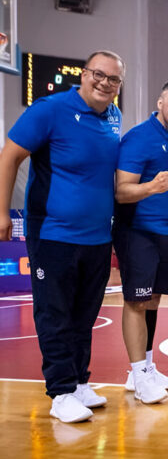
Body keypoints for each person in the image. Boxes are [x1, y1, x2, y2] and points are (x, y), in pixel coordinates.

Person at [0, 50, 124, 423]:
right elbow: (9, 156)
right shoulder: (49, 109)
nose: (104, 83)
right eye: (98, 75)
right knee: (55, 313)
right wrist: (1, 211)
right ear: (84, 75)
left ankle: (79, 381)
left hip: (99, 237)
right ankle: (60, 391)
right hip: (54, 234)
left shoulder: (114, 116)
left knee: (84, 314)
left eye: (113, 79)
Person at [114, 79, 168, 405]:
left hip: (165, 232)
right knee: (136, 302)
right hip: (137, 231)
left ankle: (146, 367)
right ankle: (136, 373)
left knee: (151, 300)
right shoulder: (139, 138)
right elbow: (122, 192)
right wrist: (152, 187)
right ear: (160, 103)